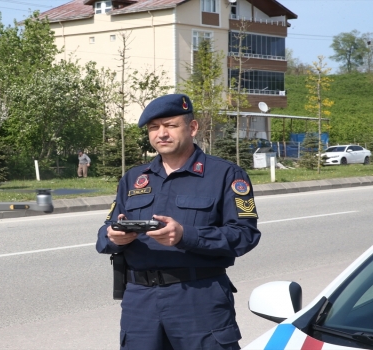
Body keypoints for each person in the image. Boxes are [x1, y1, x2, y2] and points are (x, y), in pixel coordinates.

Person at [96, 94, 260, 350]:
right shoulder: (133, 178)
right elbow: (103, 235)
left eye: (170, 125)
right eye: (153, 127)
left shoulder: (225, 174)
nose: (161, 134)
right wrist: (113, 237)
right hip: (140, 304)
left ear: (192, 128)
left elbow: (245, 235)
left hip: (198, 299)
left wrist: (186, 235)